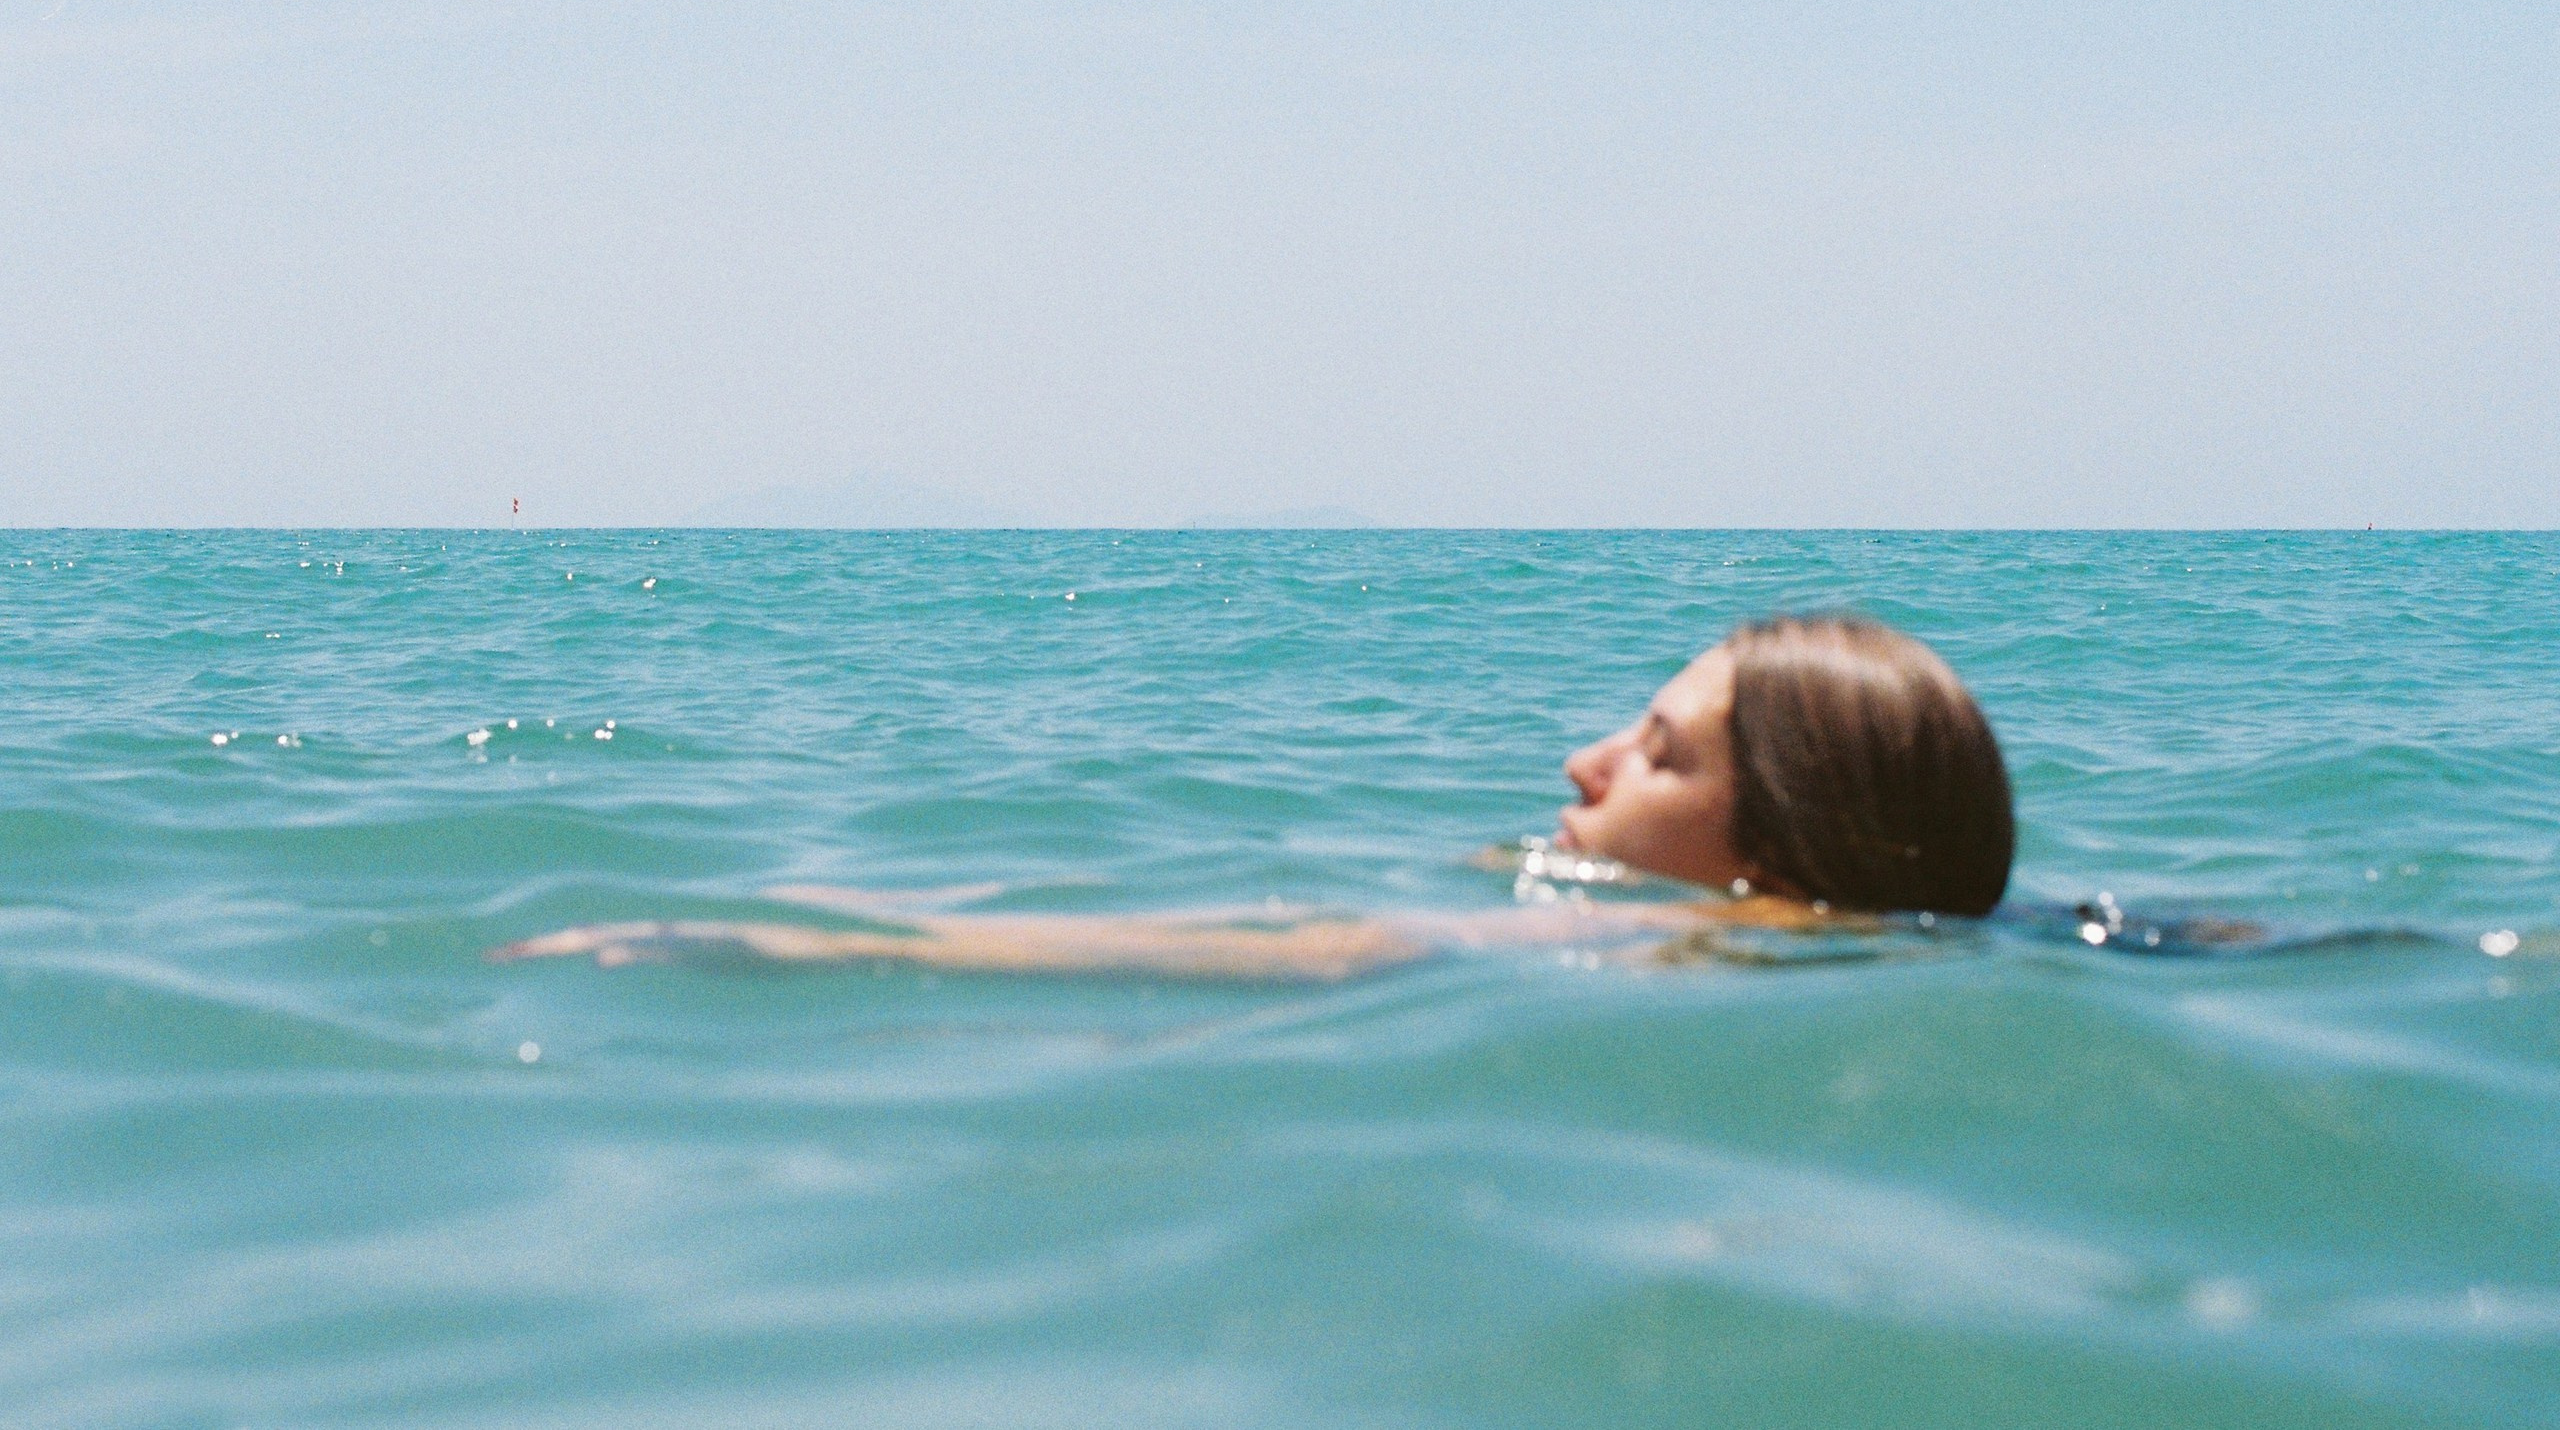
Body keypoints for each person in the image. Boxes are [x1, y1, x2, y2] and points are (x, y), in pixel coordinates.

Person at [493, 616, 2015, 981]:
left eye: (1663, 757)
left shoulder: (1673, 956)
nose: (1587, 762)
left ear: (1788, 852)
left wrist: (781, 944)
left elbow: (1333, 955)